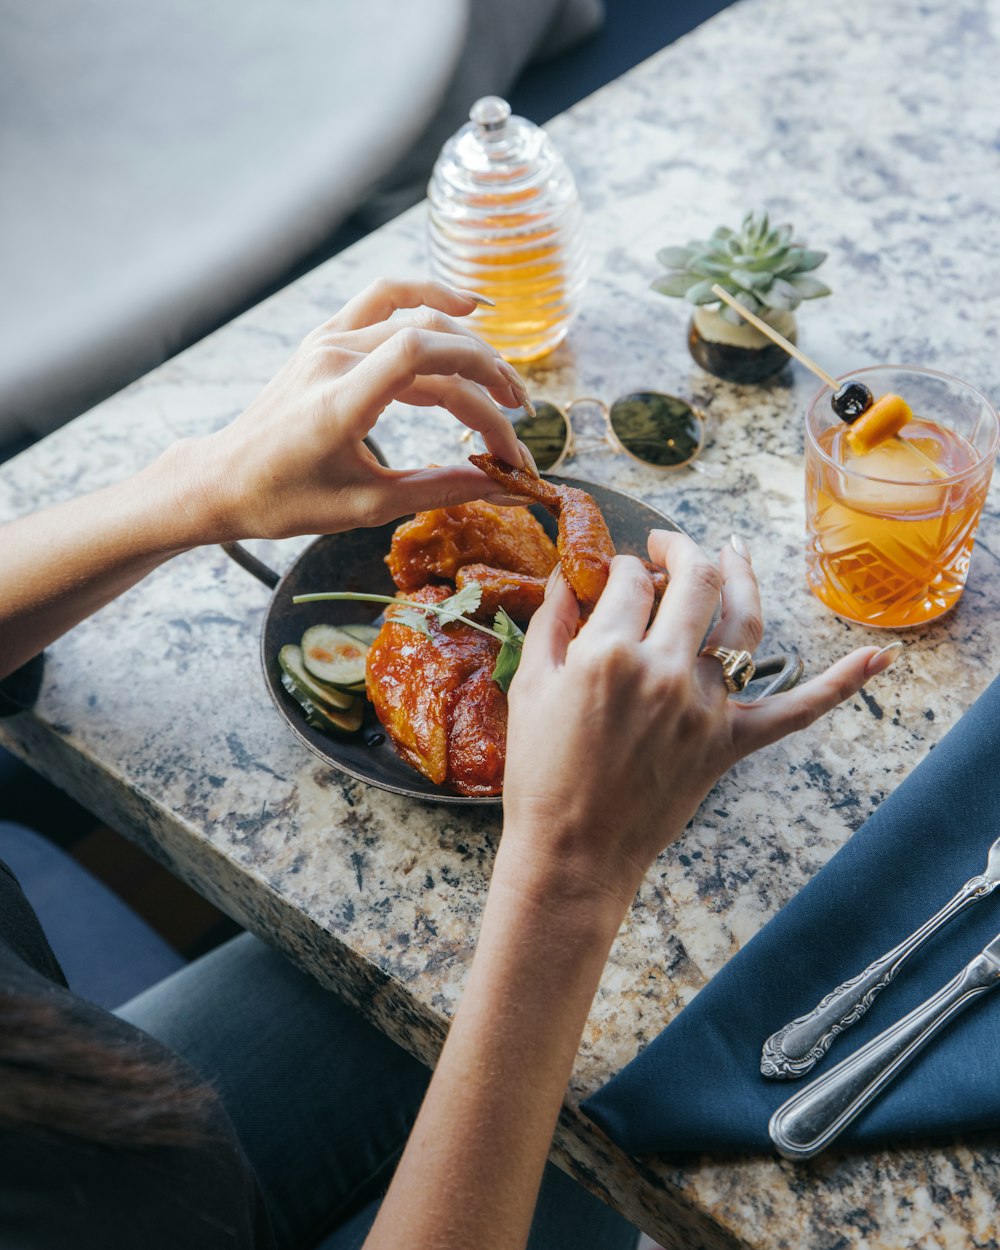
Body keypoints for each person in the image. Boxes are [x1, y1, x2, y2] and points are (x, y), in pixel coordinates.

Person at [0, 279, 899, 1249]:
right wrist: (568, 875)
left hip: (115, 1117)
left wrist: (192, 487)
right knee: (632, 1092)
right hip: (112, 1182)